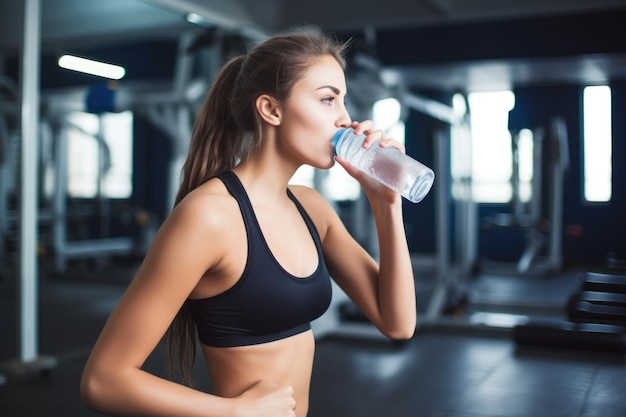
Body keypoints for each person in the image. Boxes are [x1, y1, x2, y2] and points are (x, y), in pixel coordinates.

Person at [80, 26, 416, 417]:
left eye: (343, 101)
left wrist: (386, 203)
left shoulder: (312, 208)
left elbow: (398, 323)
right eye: (327, 100)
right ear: (271, 110)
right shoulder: (208, 217)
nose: (345, 119)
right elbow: (103, 381)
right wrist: (234, 412)